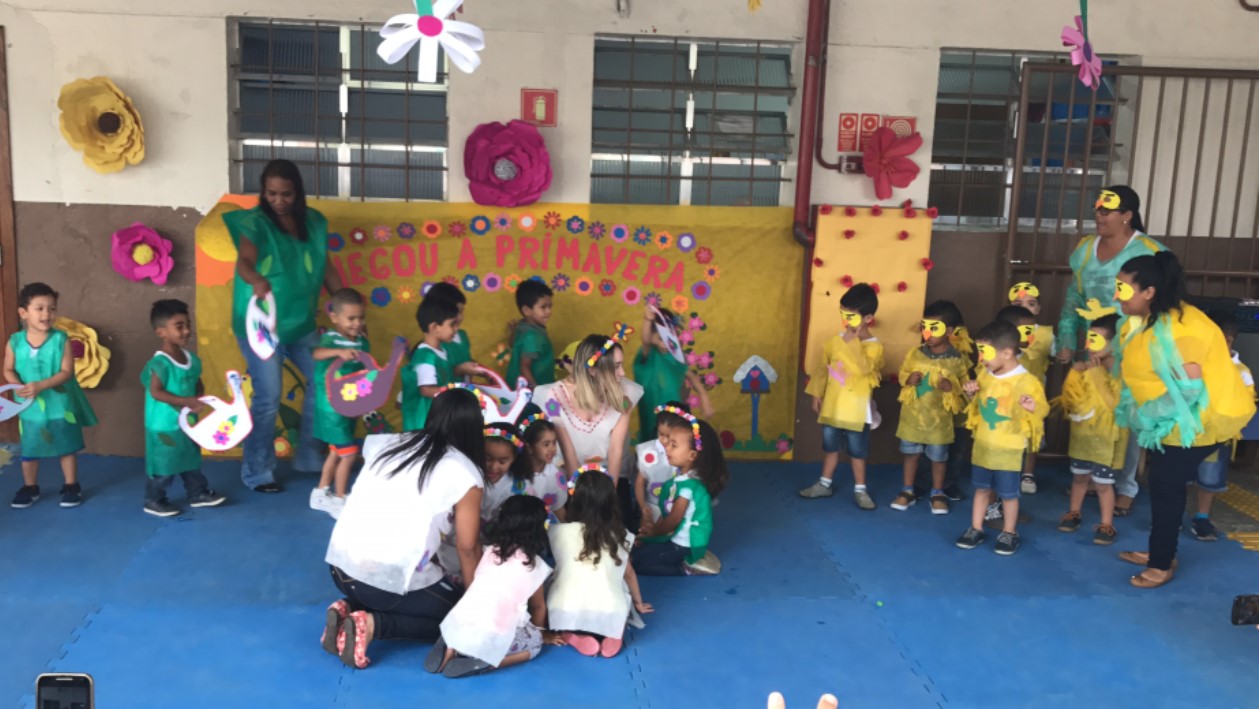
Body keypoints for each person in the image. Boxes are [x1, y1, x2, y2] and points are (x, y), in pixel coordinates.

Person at [1113, 252, 1255, 588]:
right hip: (1177, 420)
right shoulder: (1155, 317)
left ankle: (1162, 563)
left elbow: (1189, 389)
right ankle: (1161, 553)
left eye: (1123, 289)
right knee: (1165, 484)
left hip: (1200, 421)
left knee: (1165, 484)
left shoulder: (1183, 329)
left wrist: (1146, 415)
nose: (1116, 295)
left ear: (1149, 292)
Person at [322, 388, 486, 669]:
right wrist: (474, 604)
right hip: (381, 585)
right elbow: (468, 548)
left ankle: (349, 608)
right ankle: (372, 624)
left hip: (339, 569)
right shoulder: (465, 472)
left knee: (402, 589)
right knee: (454, 619)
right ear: (474, 427)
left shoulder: (390, 442)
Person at [226, 159, 344, 493]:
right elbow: (245, 261)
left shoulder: (313, 222)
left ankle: (308, 455)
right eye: (272, 193)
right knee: (269, 397)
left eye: (286, 194)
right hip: (261, 326)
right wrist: (256, 279)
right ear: (263, 193)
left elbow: (325, 266)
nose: (279, 200)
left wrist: (345, 304)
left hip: (300, 321)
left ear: (298, 192)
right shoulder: (255, 222)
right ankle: (257, 471)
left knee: (326, 380)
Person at [1056, 186, 1166, 515]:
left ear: (1127, 215)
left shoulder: (1150, 252)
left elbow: (1162, 301)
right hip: (1094, 348)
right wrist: (1066, 336)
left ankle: (1126, 485)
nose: (1099, 215)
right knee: (1093, 411)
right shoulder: (1084, 250)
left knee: (1126, 415)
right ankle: (1095, 475)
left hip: (1132, 349)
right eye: (1097, 208)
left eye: (1107, 209)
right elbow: (1074, 297)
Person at [426, 496, 553, 678]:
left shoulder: (489, 552)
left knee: (475, 614)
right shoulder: (535, 565)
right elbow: (538, 606)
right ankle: (490, 662)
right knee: (534, 645)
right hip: (492, 635)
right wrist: (541, 634)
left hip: (459, 622)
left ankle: (450, 645)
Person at [955, 320, 1049, 556]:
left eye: (985, 352)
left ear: (1007, 353)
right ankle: (976, 528)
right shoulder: (984, 375)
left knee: (1008, 494)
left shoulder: (1028, 381)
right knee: (981, 489)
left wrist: (1033, 407)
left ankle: (1009, 532)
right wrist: (970, 394)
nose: (980, 358)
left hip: (1009, 448)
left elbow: (1043, 410)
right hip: (983, 445)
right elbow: (977, 408)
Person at [5, 283, 98, 509]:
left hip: (60, 403)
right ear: (23, 313)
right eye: (39, 308)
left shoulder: (61, 339)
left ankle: (71, 485)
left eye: (52, 308)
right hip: (29, 405)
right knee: (30, 446)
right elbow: (8, 369)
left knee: (66, 445)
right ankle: (30, 487)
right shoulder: (15, 341)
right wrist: (18, 386)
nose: (46, 314)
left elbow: (66, 372)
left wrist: (41, 385)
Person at [547, 467, 652, 658]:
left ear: (575, 501)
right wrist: (639, 603)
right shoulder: (620, 535)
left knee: (559, 582)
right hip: (609, 612)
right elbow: (629, 574)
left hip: (565, 611)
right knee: (616, 584)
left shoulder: (558, 532)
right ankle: (612, 634)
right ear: (611, 502)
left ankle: (572, 634)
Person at [799, 283, 883, 509]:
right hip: (833, 407)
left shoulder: (874, 347)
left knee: (857, 452)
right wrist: (817, 393)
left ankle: (861, 490)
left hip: (857, 412)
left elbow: (863, 369)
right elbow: (822, 368)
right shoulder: (834, 340)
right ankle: (824, 484)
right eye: (843, 314)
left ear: (868, 318)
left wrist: (852, 342)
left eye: (851, 316)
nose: (846, 320)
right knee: (830, 448)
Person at [140, 299, 227, 517]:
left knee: (190, 458)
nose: (187, 331)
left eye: (188, 325)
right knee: (164, 464)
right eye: (179, 326)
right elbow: (156, 392)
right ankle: (154, 499)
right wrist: (187, 401)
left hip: (186, 422)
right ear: (161, 332)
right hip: (163, 425)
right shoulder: (160, 363)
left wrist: (199, 398)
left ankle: (197, 493)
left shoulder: (192, 359)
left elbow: (196, 382)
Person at [892, 300, 969, 515]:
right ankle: (907, 490)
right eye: (925, 326)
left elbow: (964, 386)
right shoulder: (915, 353)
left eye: (934, 328)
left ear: (950, 331)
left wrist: (951, 387)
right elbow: (903, 372)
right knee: (911, 455)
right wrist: (908, 378)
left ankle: (937, 493)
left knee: (939, 457)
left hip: (939, 422)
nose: (927, 333)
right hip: (913, 418)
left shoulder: (958, 359)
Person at [1055, 312, 1123, 545]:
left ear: (1116, 344)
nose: (1088, 346)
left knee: (1103, 485)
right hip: (1083, 437)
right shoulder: (1086, 367)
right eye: (1089, 339)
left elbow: (1113, 404)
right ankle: (1074, 512)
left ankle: (1107, 524)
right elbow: (1072, 401)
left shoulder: (1121, 371)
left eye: (1097, 340)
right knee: (1079, 477)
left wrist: (1096, 374)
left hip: (1107, 440)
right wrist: (1075, 375)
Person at [533, 335, 638, 482]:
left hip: (606, 475)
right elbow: (568, 452)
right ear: (593, 370)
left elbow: (615, 450)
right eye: (616, 366)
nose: (622, 373)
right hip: (566, 474)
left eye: (621, 365)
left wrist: (610, 491)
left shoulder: (624, 396)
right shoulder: (554, 397)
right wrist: (575, 491)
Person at [1188, 315, 1255, 542]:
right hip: (1187, 432)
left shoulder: (1242, 372)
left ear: (1227, 340)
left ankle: (1202, 518)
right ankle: (1173, 515)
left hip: (1218, 436)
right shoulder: (1195, 364)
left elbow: (1246, 403)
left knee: (1209, 477)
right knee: (1180, 476)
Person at [634, 414, 728, 576]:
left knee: (638, 565)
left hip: (683, 545)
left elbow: (673, 520)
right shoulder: (683, 478)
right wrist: (650, 535)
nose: (667, 448)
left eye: (674, 445)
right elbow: (667, 514)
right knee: (637, 554)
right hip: (675, 539)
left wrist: (654, 533)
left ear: (692, 455)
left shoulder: (688, 488)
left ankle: (685, 569)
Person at [309, 288, 370, 519]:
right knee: (349, 454)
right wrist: (338, 352)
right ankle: (339, 498)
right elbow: (316, 353)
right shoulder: (331, 339)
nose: (357, 323)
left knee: (336, 450)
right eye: (351, 318)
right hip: (331, 407)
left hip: (349, 404)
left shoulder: (362, 341)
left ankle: (320, 493)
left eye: (360, 318)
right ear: (334, 317)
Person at [634, 305, 712, 442]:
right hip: (652, 420)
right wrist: (647, 320)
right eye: (660, 339)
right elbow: (645, 341)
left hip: (674, 418)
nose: (665, 344)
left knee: (676, 445)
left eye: (669, 338)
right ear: (651, 337)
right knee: (653, 447)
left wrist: (704, 397)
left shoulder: (676, 356)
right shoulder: (649, 355)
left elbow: (690, 375)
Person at [996, 304, 1043, 494]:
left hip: (1025, 415)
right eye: (1026, 331)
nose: (1031, 335)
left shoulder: (1029, 359)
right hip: (1002, 419)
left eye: (1033, 330)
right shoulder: (994, 360)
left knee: (1028, 443)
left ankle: (1026, 476)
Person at [400, 298, 459, 432]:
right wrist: (456, 396)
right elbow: (426, 390)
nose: (456, 329)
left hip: (438, 418)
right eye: (452, 324)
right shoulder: (426, 356)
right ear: (434, 327)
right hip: (424, 422)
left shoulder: (443, 350)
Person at [509, 404, 569, 523]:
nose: (552, 449)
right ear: (529, 448)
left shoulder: (555, 475)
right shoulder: (512, 476)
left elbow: (558, 508)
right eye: (546, 444)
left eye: (554, 443)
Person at [635, 402, 691, 525]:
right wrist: (643, 506)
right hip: (653, 506)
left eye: (669, 436)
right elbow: (639, 483)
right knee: (647, 528)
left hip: (679, 506)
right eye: (661, 434)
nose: (664, 440)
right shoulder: (648, 452)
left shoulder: (688, 452)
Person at [424, 282, 483, 382]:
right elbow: (438, 377)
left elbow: (465, 359)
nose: (460, 317)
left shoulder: (462, 335)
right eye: (456, 312)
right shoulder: (436, 343)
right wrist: (459, 370)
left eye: (462, 311)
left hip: (464, 388)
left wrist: (481, 370)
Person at [505, 279, 555, 388]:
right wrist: (535, 391)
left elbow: (513, 345)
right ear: (527, 310)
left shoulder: (522, 326)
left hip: (516, 389)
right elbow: (524, 367)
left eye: (550, 306)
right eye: (543, 307)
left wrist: (512, 333)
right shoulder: (532, 336)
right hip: (529, 391)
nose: (549, 311)